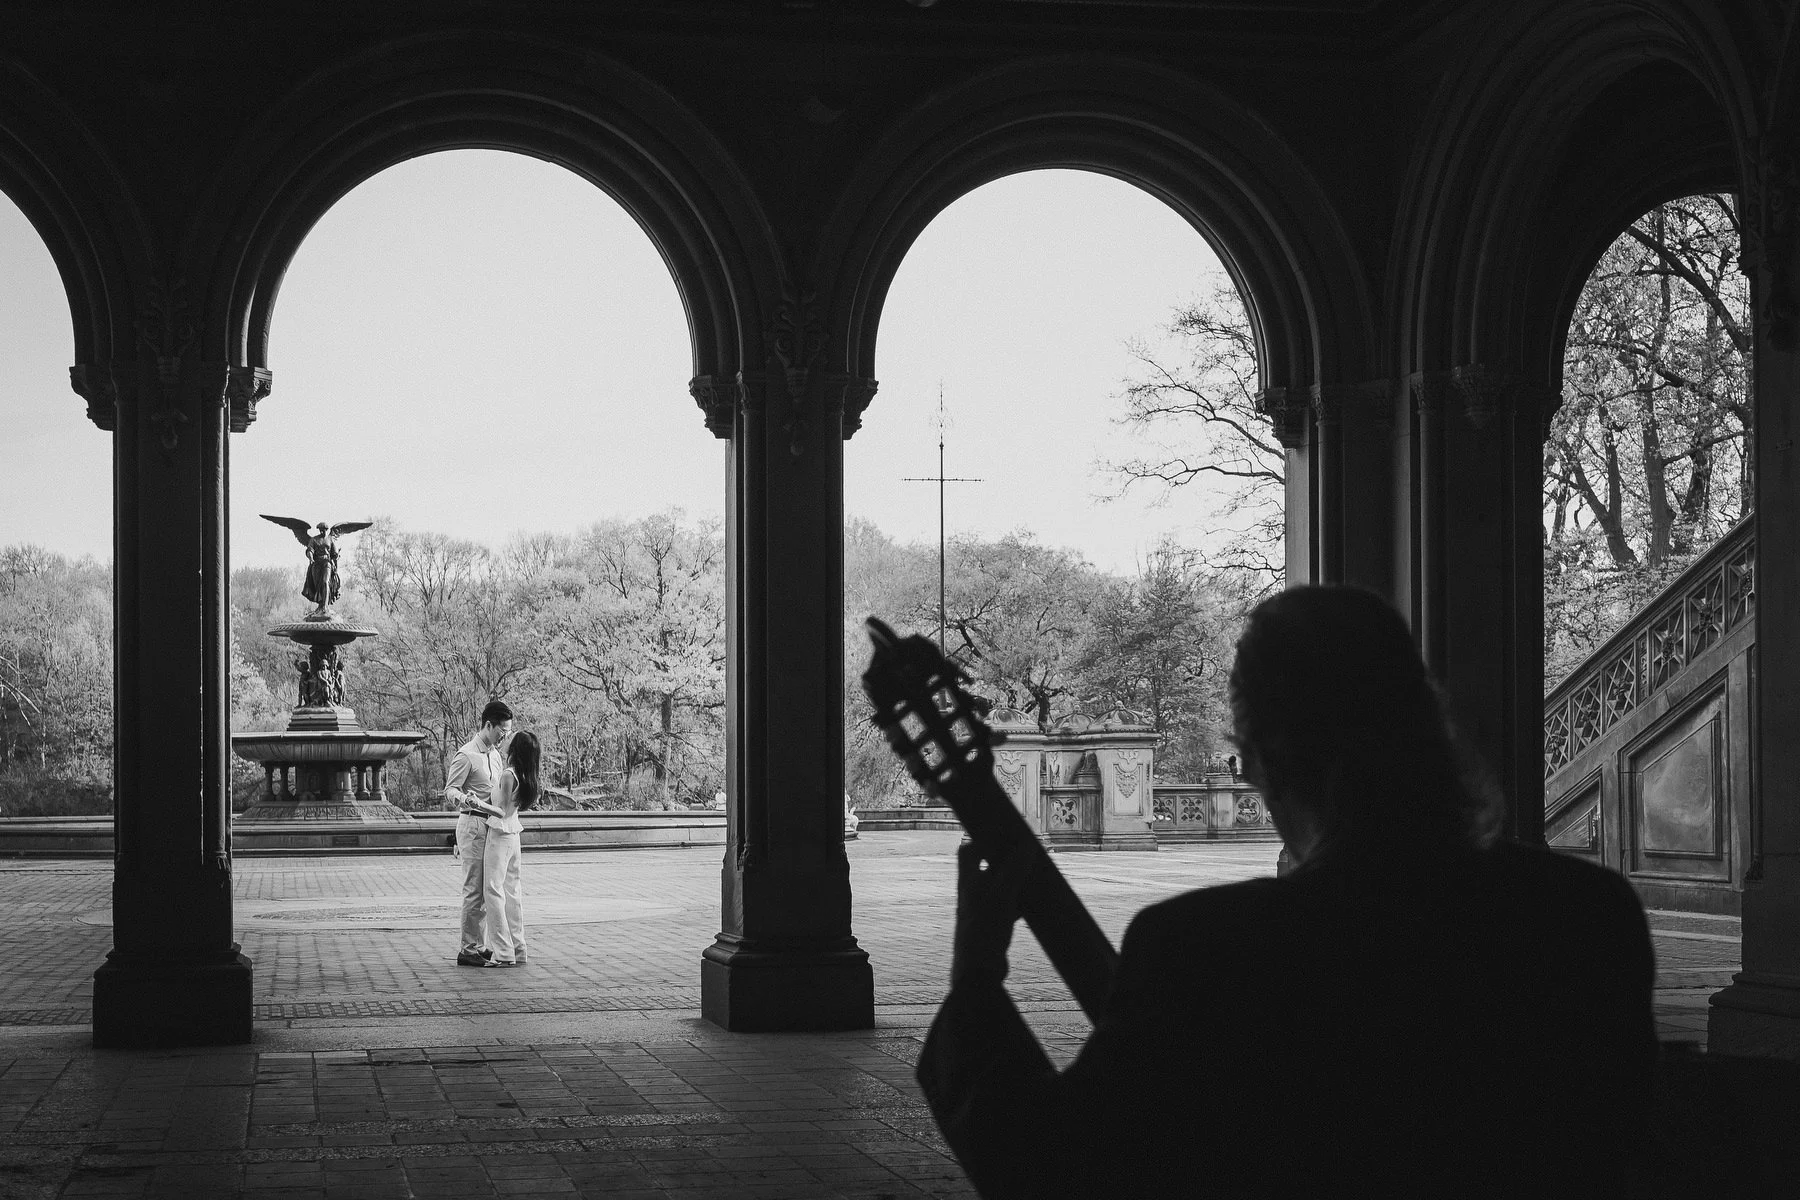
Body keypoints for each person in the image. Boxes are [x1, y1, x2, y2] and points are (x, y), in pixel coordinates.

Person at [917, 586, 1657, 1198]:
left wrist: (975, 978)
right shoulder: (1588, 915)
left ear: (1266, 760)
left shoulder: (1201, 949)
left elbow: (1050, 1173)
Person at [444, 699, 513, 967]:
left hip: (491, 825)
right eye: (502, 731)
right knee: (473, 889)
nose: (504, 736)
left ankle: (479, 944)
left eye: (507, 732)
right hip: (473, 824)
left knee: (486, 889)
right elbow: (450, 790)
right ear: (488, 725)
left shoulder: (495, 755)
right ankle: (467, 949)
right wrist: (465, 799)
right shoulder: (466, 755)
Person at [478, 730, 541, 967]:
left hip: (501, 834)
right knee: (512, 892)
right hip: (514, 835)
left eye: (511, 738)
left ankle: (504, 951)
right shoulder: (526, 775)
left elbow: (501, 811)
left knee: (493, 891)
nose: (506, 740)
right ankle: (518, 947)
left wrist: (477, 803)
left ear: (515, 748)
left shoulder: (508, 774)